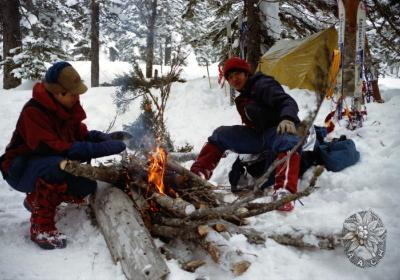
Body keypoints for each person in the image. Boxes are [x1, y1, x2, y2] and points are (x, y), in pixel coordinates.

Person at [0, 62, 127, 249]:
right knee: (55, 165)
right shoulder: (33, 112)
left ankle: (37, 198)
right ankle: (41, 227)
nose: (77, 97)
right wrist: (99, 149)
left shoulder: (65, 108)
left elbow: (81, 136)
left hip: (48, 162)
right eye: (73, 94)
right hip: (19, 169)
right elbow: (56, 148)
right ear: (58, 93)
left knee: (85, 185)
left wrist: (104, 138)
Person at [190, 57, 301, 211]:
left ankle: (285, 192)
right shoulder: (243, 97)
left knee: (287, 141)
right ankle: (197, 175)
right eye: (229, 77)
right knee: (220, 134)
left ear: (246, 73)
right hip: (259, 136)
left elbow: (287, 101)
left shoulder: (263, 84)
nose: (234, 79)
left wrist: (288, 118)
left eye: (237, 74)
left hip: (278, 129)